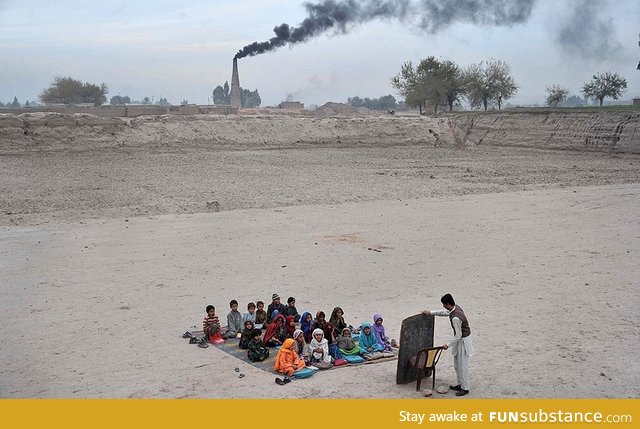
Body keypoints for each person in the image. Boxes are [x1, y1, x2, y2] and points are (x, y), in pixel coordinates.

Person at [422, 293, 474, 397]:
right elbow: (444, 312)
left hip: (463, 341)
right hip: (459, 340)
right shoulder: (456, 308)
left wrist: (447, 345)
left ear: (448, 304)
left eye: (444, 304)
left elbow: (458, 335)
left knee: (462, 365)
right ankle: (460, 384)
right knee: (457, 364)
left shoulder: (456, 318)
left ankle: (465, 388)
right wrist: (430, 313)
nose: (443, 306)